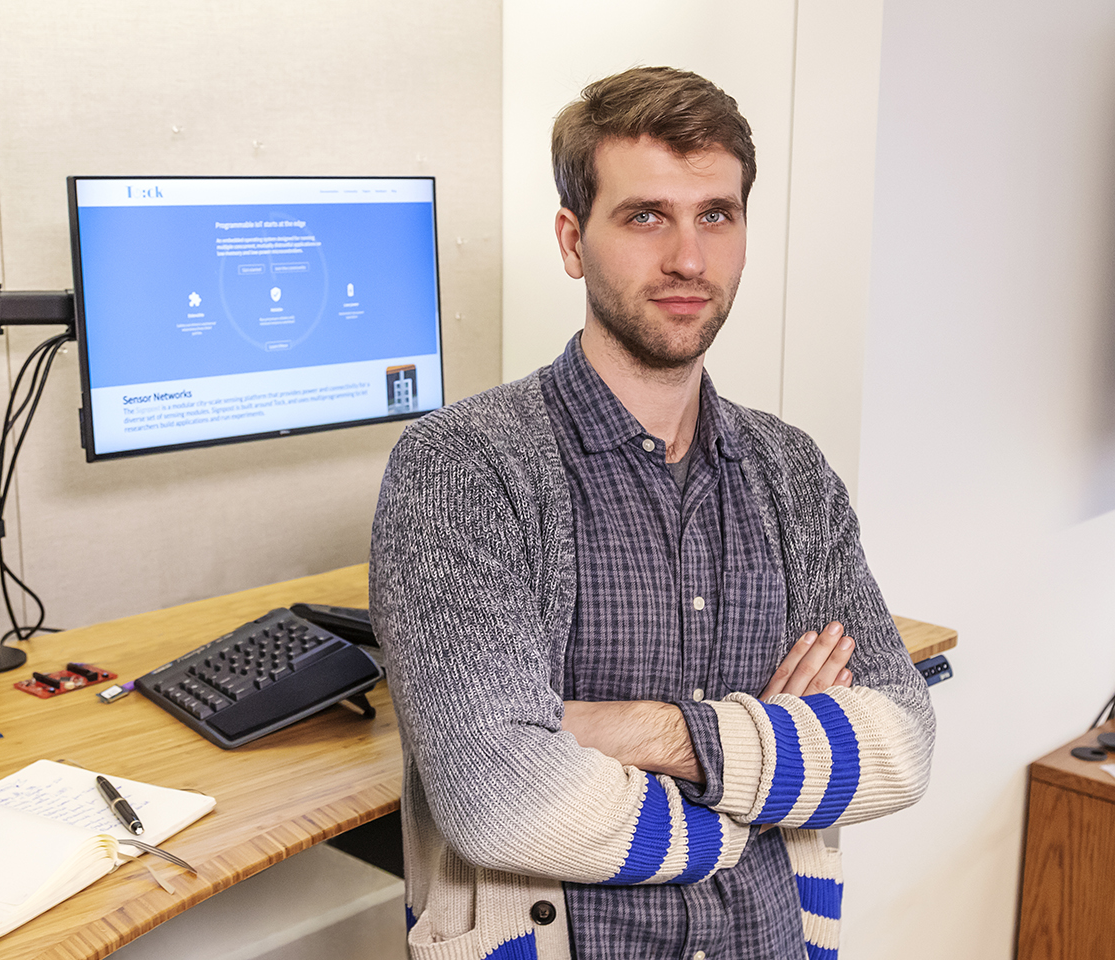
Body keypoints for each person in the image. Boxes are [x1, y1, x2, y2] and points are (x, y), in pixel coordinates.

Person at [369, 65, 935, 960]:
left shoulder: (791, 473)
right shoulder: (462, 470)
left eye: (717, 214)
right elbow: (500, 802)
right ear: (572, 239)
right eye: (645, 217)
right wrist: (757, 783)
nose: (688, 259)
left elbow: (902, 742)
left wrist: (626, 730)